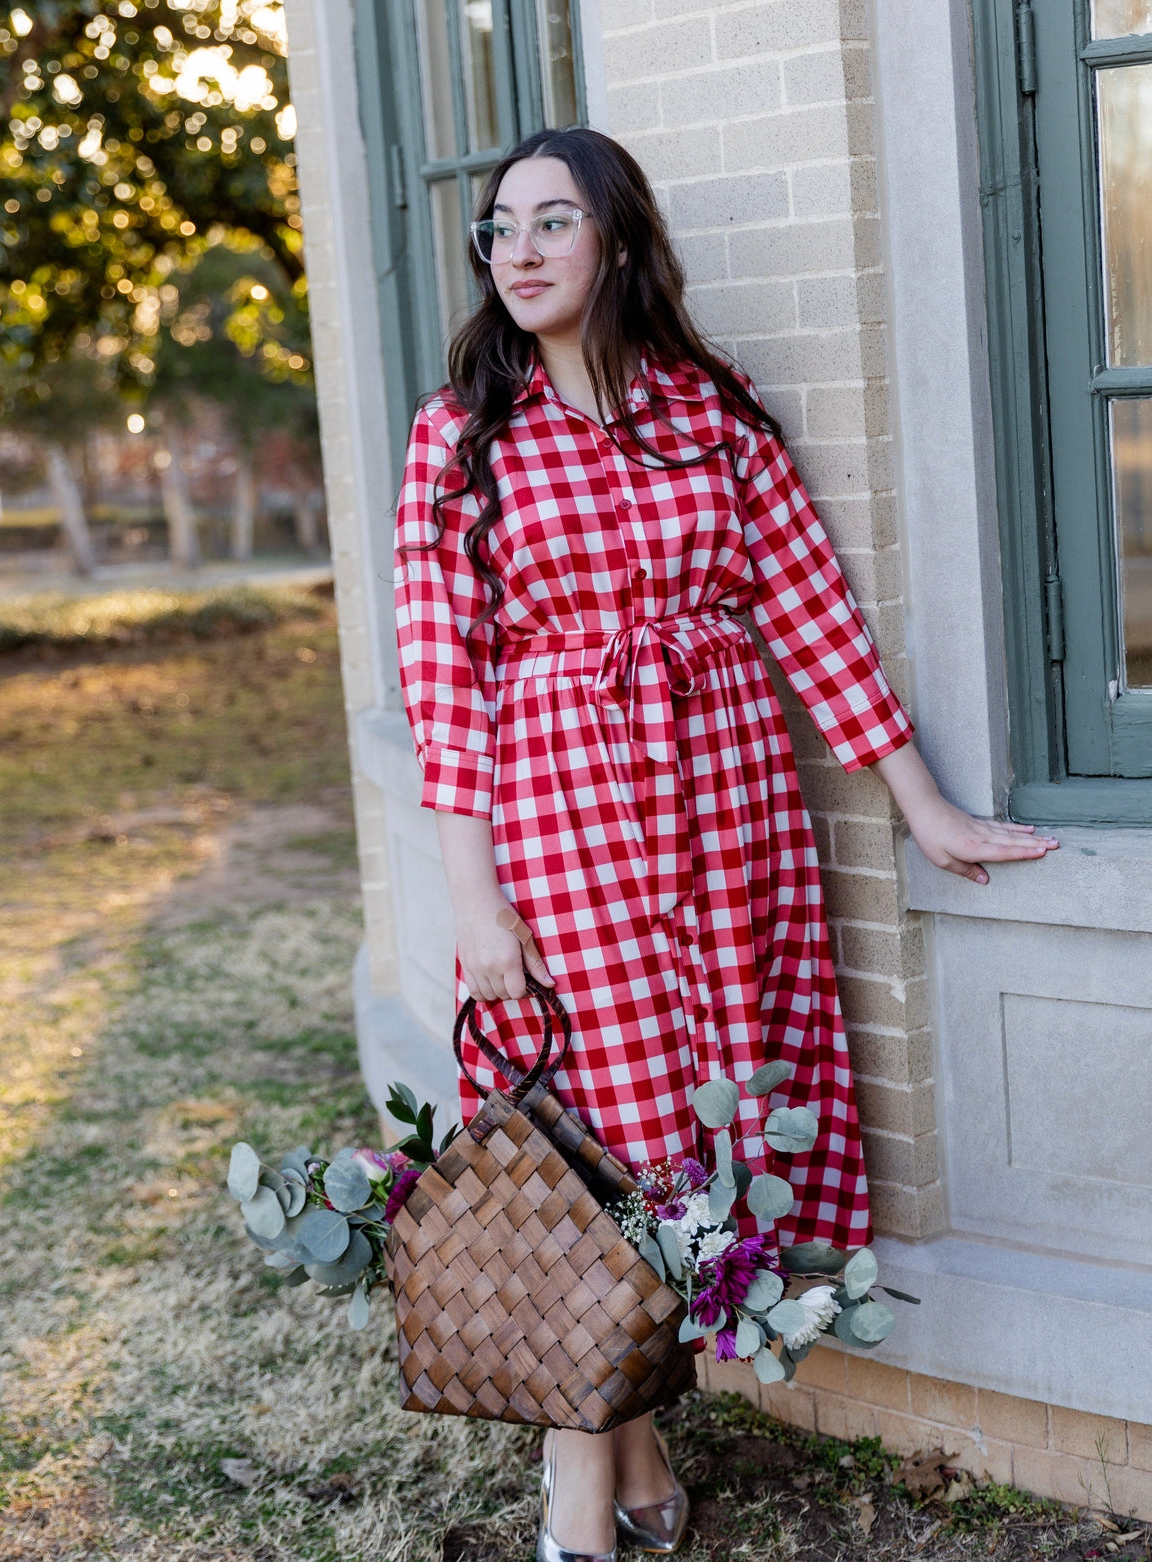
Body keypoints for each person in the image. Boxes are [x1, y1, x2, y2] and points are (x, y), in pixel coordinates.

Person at [394, 126, 1057, 1562]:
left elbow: (812, 612)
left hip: (727, 799)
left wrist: (925, 806)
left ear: (619, 241)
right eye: (500, 226)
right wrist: (473, 898)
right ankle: (580, 1483)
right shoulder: (461, 434)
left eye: (553, 221)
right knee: (593, 1129)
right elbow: (444, 684)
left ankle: (629, 1437)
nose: (516, 250)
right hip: (564, 803)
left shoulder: (711, 407)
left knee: (694, 1114)